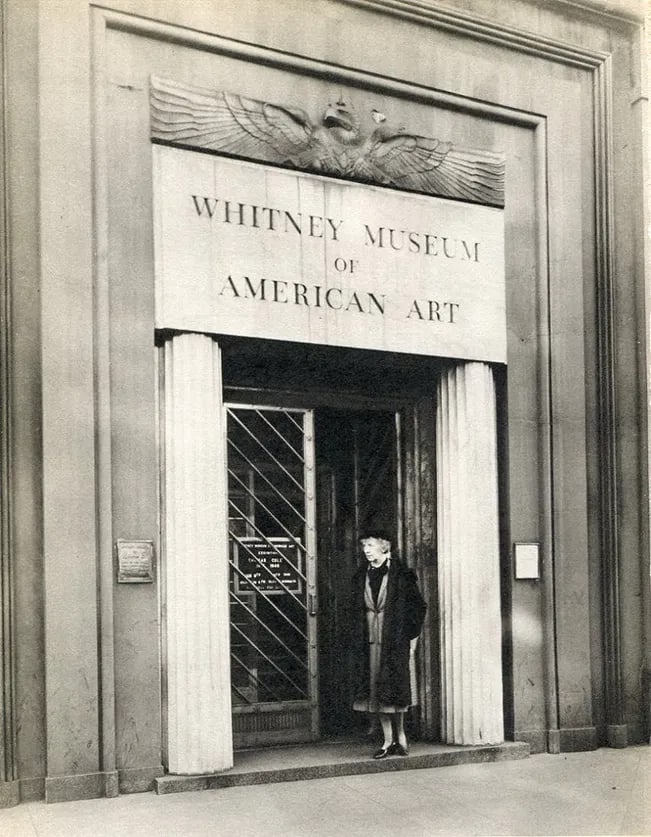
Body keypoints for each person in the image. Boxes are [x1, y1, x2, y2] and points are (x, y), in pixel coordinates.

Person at [351, 527, 426, 759]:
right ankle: (387, 740)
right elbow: (352, 607)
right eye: (364, 547)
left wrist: (409, 636)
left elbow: (418, 607)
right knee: (376, 691)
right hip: (369, 641)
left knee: (395, 688)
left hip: (394, 640)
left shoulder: (402, 575)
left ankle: (401, 735)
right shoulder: (360, 575)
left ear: (384, 547)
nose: (366, 551)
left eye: (370, 546)